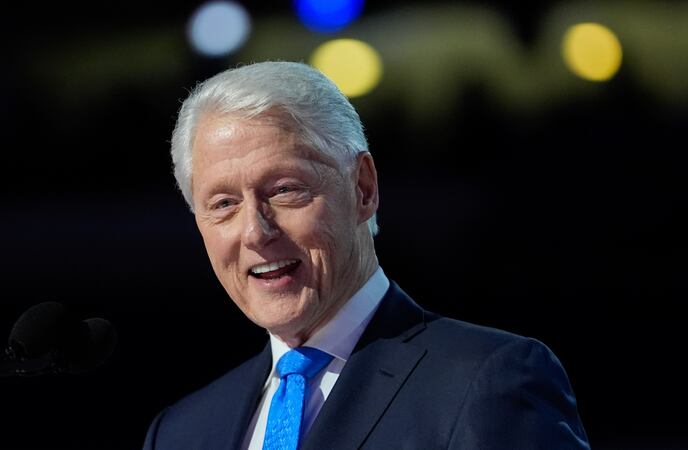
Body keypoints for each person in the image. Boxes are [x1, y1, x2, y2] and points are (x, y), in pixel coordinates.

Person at [143, 61, 589, 449]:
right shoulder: (180, 432)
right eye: (223, 204)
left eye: (284, 190)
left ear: (363, 188)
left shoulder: (488, 383)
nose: (255, 232)